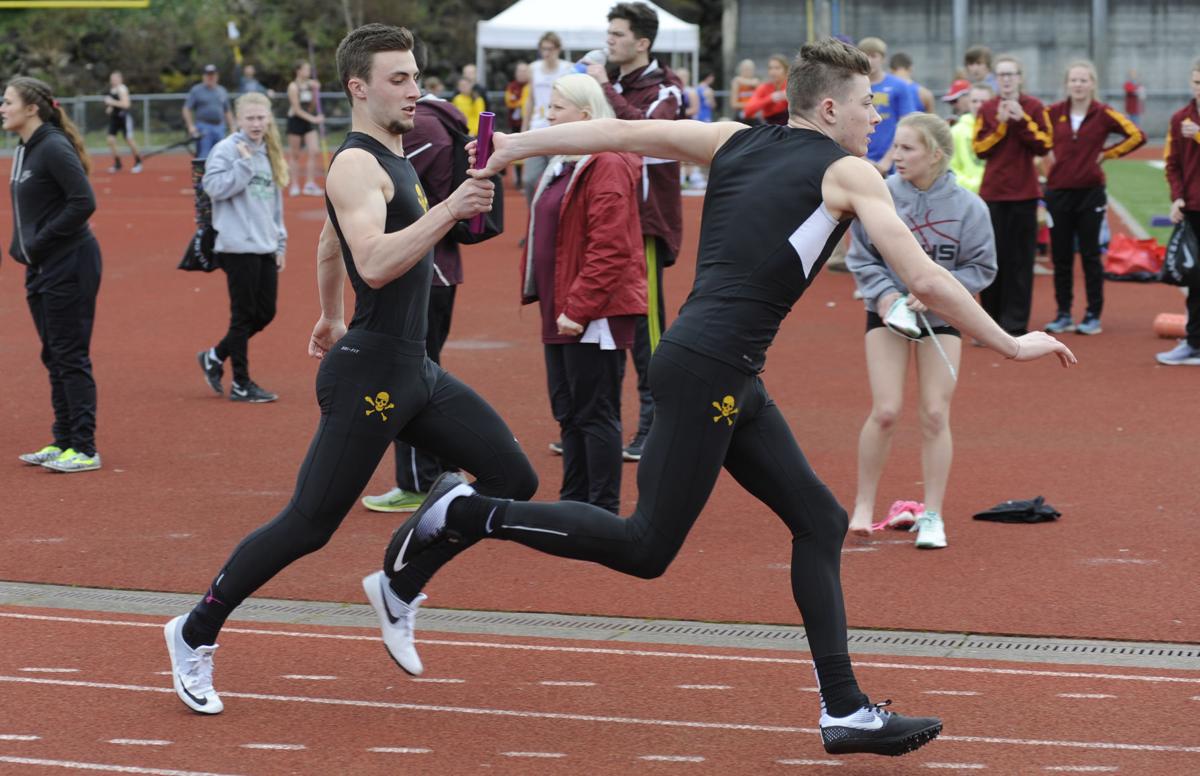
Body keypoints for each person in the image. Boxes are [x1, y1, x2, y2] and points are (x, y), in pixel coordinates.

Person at [372, 38, 1076, 758]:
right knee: (646, 549)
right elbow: (923, 279)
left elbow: (616, 130)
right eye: (868, 105)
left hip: (727, 374)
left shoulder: (732, 137)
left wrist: (517, 142)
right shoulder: (849, 172)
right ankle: (466, 512)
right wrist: (1012, 342)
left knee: (819, 520)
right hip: (709, 370)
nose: (879, 118)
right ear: (830, 107)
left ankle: (843, 710)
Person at [163, 23, 537, 715]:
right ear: (358, 87)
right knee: (308, 525)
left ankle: (399, 584)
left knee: (514, 476)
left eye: (416, 74)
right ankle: (193, 630)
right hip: (370, 376)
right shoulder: (356, 163)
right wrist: (450, 208)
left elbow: (331, 243)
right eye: (399, 78)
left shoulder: (395, 153)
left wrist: (331, 314)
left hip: (410, 367)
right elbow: (373, 256)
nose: (415, 88)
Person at [845, 113, 998, 547]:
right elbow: (862, 258)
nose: (896, 156)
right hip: (888, 313)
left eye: (907, 148)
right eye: (896, 146)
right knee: (887, 410)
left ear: (935, 154)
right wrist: (885, 297)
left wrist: (940, 292)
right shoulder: (880, 195)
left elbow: (981, 267)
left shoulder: (970, 207)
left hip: (943, 319)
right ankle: (861, 505)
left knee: (934, 413)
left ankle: (932, 516)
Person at [361, 85, 492, 513]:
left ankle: (421, 480)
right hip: (440, 266)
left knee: (409, 379)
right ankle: (443, 471)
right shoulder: (447, 121)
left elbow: (382, 177)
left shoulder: (420, 130)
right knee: (425, 375)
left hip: (423, 268)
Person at [524, 73, 646, 512]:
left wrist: (579, 307)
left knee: (594, 411)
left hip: (592, 312)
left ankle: (601, 509)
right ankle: (573, 503)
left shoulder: (606, 162)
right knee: (569, 411)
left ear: (586, 114)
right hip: (563, 308)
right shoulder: (564, 161)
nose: (548, 114)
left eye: (557, 107)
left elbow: (611, 247)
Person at [586, 1, 686, 462]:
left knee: (646, 327)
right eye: (608, 34)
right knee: (593, 319)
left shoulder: (667, 89)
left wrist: (603, 86)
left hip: (642, 223)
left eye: (618, 35)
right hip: (600, 217)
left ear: (642, 43)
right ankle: (594, 421)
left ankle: (656, 425)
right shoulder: (612, 83)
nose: (609, 41)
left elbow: (648, 133)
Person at [5, 76, 104, 473]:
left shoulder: (53, 147)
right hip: (42, 266)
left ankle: (84, 447)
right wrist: (25, 249)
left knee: (69, 354)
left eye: (8, 101)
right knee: (53, 354)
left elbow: (84, 202)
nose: (1, 107)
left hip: (70, 263)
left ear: (32, 108)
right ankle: (62, 439)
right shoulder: (25, 148)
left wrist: (40, 242)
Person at [195, 92, 290, 404]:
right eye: (250, 118)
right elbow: (213, 188)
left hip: (264, 243)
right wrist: (244, 166)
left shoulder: (270, 151)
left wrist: (280, 243)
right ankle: (241, 383)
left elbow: (275, 206)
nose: (256, 123)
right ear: (237, 119)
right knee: (242, 315)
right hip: (236, 245)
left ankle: (215, 355)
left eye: (261, 117)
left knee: (266, 312)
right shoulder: (226, 150)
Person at [1043, 60, 1145, 336]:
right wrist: (1046, 161)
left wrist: (1107, 154)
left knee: (1090, 255)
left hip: (1090, 194)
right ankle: (1063, 313)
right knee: (1061, 257)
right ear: (1067, 84)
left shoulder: (1103, 113)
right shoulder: (1052, 113)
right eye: (1073, 80)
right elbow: (1033, 137)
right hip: (1058, 192)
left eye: (1083, 80)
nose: (1078, 84)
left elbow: (1137, 135)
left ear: (1092, 84)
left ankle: (1092, 315)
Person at [973, 54, 1053, 336]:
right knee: (993, 259)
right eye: (1001, 74)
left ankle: (1016, 324)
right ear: (995, 79)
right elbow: (980, 148)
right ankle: (991, 322)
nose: (1006, 79)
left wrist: (1022, 121)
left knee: (1020, 261)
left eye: (1011, 74)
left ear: (1020, 77)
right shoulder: (987, 108)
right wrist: (1003, 124)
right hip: (993, 194)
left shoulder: (1034, 107)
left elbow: (1044, 145)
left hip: (1024, 195)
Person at [1159, 58, 1200, 366]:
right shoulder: (1179, 118)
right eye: (1198, 82)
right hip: (1193, 210)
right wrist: (1176, 198)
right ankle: (1194, 343)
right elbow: (1172, 164)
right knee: (1194, 280)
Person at [521, 31, 573, 201]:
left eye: (550, 49)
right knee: (529, 180)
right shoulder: (533, 68)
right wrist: (524, 125)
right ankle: (534, 218)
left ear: (558, 49)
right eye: (543, 49)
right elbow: (530, 98)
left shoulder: (567, 69)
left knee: (558, 179)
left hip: (559, 130)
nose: (546, 53)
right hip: (537, 127)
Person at [857, 37, 918, 175]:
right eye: (865, 55)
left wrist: (887, 161)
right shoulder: (853, 86)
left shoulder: (899, 86)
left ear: (883, 58)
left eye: (873, 56)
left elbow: (907, 124)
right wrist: (862, 158)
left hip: (893, 160)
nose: (869, 60)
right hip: (860, 156)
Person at [286, 60, 325, 197]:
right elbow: (296, 110)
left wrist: (316, 91)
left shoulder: (311, 85)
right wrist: (314, 119)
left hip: (308, 120)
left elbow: (312, 106)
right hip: (296, 121)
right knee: (295, 155)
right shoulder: (293, 87)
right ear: (299, 71)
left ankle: (309, 184)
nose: (308, 72)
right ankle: (294, 184)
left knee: (314, 151)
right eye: (306, 69)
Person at [944, 80, 988, 194]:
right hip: (967, 195)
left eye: (983, 101)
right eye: (974, 101)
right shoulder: (956, 131)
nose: (979, 105)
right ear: (969, 103)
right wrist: (974, 186)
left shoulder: (1001, 130)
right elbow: (951, 169)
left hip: (996, 195)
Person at [183, 64, 234, 160]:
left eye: (212, 75)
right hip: (203, 127)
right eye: (208, 75)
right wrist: (190, 126)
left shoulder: (222, 91)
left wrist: (232, 127)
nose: (210, 77)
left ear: (216, 76)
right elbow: (187, 109)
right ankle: (202, 174)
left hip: (219, 127)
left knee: (221, 154)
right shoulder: (196, 90)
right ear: (204, 76)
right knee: (204, 155)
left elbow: (227, 111)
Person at [103, 70, 143, 174]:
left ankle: (138, 161)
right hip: (115, 119)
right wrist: (110, 108)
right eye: (111, 79)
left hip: (124, 118)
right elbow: (114, 104)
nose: (113, 81)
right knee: (110, 140)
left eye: (115, 79)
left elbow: (126, 104)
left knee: (129, 140)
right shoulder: (112, 90)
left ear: (120, 79)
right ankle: (118, 163)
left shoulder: (122, 89)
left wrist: (111, 102)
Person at [741, 54, 790, 126]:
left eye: (777, 68)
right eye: (770, 68)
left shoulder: (791, 86)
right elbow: (747, 111)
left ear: (785, 70)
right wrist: (771, 98)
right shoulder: (764, 87)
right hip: (771, 125)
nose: (773, 71)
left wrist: (790, 98)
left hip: (789, 125)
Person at [504, 62, 532, 187]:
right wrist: (521, 102)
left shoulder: (532, 86)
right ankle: (519, 178)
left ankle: (531, 177)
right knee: (516, 149)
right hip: (515, 123)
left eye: (524, 71)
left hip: (531, 123)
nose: (522, 74)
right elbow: (510, 102)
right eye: (520, 71)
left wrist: (520, 101)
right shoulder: (512, 86)